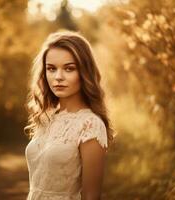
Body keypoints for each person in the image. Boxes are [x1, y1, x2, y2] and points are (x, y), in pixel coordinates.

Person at [24, 30, 114, 200]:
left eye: (69, 68)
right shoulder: (46, 117)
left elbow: (91, 196)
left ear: (84, 72)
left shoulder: (90, 125)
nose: (58, 77)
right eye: (51, 69)